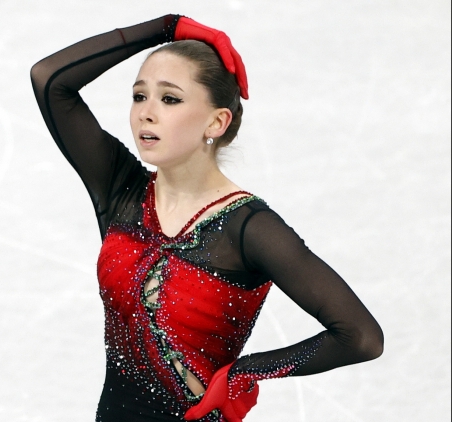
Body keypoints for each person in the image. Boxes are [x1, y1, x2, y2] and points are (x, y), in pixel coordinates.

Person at [30, 15, 383, 422]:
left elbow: (360, 336)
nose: (146, 113)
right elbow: (49, 79)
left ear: (216, 122)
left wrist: (243, 373)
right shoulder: (121, 190)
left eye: (170, 99)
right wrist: (168, 27)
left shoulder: (248, 228)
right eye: (139, 96)